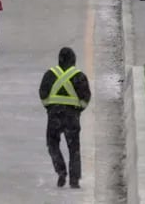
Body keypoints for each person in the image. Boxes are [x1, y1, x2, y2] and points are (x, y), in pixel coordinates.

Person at [39, 47, 91, 189]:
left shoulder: (50, 74)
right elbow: (86, 98)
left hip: (54, 115)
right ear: (74, 60)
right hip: (72, 116)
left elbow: (43, 94)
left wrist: (49, 108)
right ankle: (74, 179)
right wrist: (78, 110)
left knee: (52, 144)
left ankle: (61, 171)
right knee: (74, 148)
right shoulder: (79, 76)